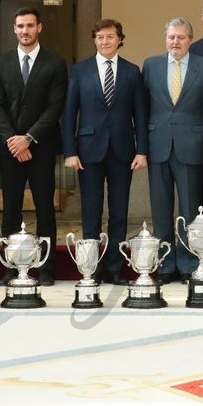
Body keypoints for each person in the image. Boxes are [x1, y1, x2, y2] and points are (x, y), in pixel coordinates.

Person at [62, 19, 148, 285]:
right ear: (94, 40)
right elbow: (68, 114)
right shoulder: (81, 70)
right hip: (88, 151)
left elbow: (141, 115)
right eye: (99, 37)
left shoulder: (132, 71)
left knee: (119, 211)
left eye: (110, 37)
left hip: (123, 150)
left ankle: (114, 267)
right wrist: (70, 151)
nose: (104, 41)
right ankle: (91, 267)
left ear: (120, 39)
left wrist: (142, 150)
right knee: (91, 210)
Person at [0, 7, 68, 287]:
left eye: (30, 26)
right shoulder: (1, 63)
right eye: (20, 26)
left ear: (39, 28)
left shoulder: (55, 63)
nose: (25, 31)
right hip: (10, 148)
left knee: (45, 207)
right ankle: (12, 265)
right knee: (10, 208)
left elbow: (55, 106)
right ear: (14, 29)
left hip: (41, 147)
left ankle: (46, 267)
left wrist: (29, 138)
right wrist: (14, 140)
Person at [143, 17, 203, 283]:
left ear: (190, 40)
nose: (176, 42)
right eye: (171, 37)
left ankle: (188, 264)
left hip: (191, 145)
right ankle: (164, 265)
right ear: (166, 39)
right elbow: (144, 107)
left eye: (181, 37)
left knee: (189, 210)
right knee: (161, 209)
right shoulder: (150, 66)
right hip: (158, 145)